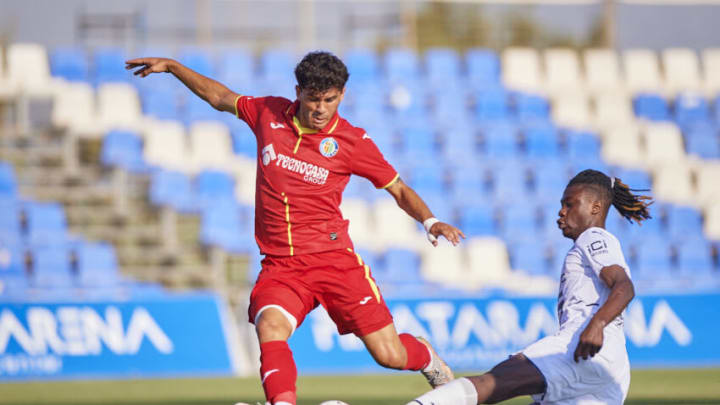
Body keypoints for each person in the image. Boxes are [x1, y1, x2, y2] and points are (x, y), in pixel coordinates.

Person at [126, 51, 465, 405]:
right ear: (298, 92)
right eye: (313, 99)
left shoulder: (352, 142)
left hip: (335, 260)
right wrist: (175, 67)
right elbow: (220, 97)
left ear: (341, 96)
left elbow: (397, 187)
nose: (321, 108)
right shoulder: (268, 113)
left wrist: (430, 220)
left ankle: (424, 355)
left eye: (330, 99)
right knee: (269, 326)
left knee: (389, 355)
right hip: (282, 266)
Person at [408, 169, 652, 405]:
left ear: (595, 207)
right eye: (562, 204)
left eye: (570, 204)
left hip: (583, 349)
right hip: (611, 370)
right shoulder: (590, 244)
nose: (561, 212)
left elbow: (624, 286)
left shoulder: (594, 237)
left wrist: (596, 325)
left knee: (491, 383)